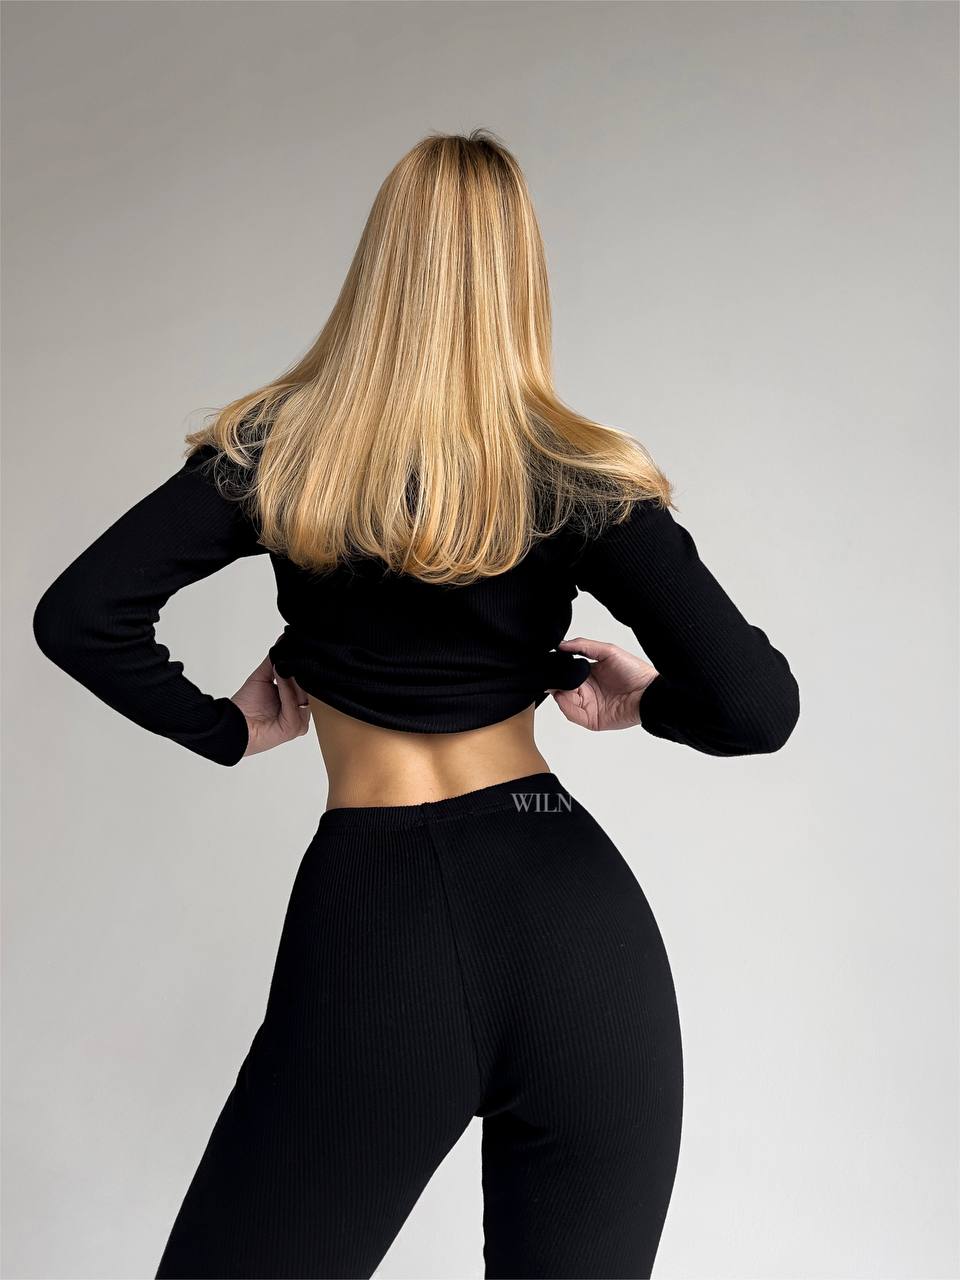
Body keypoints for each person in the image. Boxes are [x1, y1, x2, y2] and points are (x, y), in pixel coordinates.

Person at [32, 129, 800, 1280]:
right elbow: (757, 707)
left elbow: (81, 614)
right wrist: (649, 704)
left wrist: (225, 728)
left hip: (384, 918)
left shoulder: (281, 452)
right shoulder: (576, 474)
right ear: (522, 280)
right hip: (578, 923)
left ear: (380, 267)